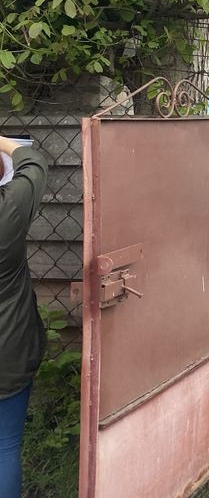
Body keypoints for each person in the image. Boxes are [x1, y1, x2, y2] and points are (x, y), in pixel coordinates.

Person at [0, 136, 48, 498]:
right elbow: (34, 164)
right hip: (10, 354)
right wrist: (4, 142)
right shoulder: (10, 209)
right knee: (5, 445)